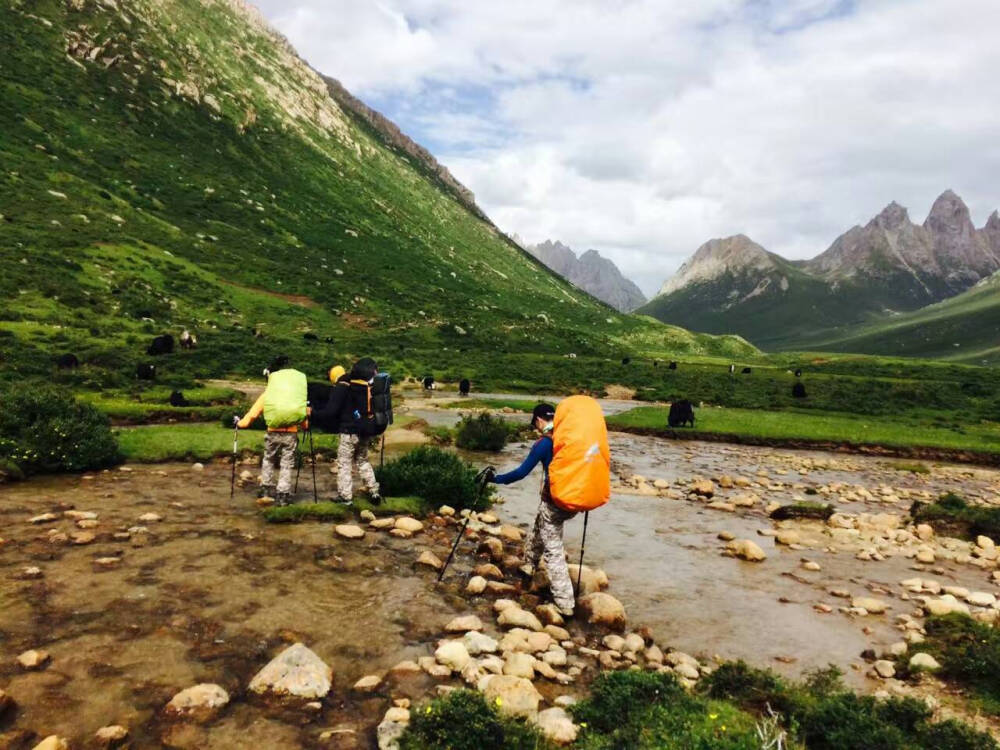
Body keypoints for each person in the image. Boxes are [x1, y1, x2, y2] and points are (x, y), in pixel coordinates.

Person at [486, 403, 577, 616]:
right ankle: (529, 564)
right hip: (573, 498)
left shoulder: (544, 443)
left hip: (555, 501)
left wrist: (496, 479)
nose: (536, 428)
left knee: (553, 549)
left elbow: (521, 472)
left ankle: (565, 603)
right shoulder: (569, 438)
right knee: (541, 522)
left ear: (538, 419)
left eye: (535, 424)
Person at [236, 356, 308, 506]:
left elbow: (253, 413)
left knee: (268, 458)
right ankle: (283, 495)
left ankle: (266, 489)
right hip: (291, 433)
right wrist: (305, 425)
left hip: (272, 431)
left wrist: (240, 423)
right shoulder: (293, 395)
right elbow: (301, 412)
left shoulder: (269, 392)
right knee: (286, 463)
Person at [317, 356, 382, 506]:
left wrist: (314, 415)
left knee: (345, 463)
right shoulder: (362, 384)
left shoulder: (343, 386)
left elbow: (332, 411)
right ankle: (373, 491)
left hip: (348, 431)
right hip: (365, 429)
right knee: (362, 460)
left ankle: (345, 497)